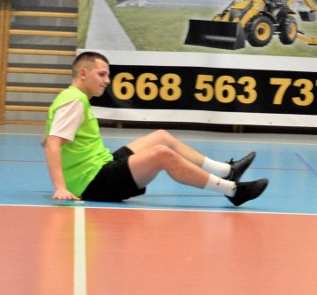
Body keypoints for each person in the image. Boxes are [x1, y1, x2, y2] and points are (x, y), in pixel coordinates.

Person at [42, 51, 269, 206]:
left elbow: (50, 138)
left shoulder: (71, 98)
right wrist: (61, 187)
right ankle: (232, 190)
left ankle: (225, 170)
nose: (107, 80)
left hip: (100, 167)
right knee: (162, 155)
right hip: (93, 183)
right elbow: (53, 143)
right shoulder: (74, 101)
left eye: (108, 75)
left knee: (161, 137)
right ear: (83, 73)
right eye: (102, 74)